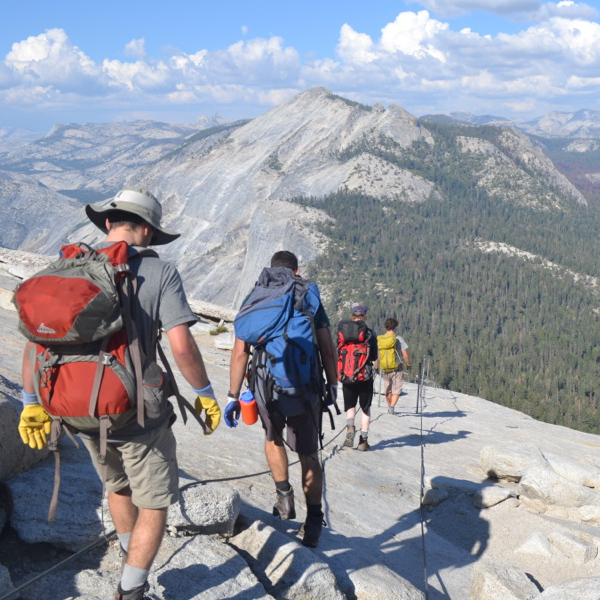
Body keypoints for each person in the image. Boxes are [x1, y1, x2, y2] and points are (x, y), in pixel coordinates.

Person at [17, 188, 221, 600]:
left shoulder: (71, 269)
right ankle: (131, 589)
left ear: (108, 224)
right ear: (147, 230)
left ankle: (130, 555)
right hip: (136, 413)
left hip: (76, 409)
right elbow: (182, 345)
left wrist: (32, 404)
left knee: (117, 488)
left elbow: (37, 343)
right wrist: (204, 393)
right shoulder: (159, 273)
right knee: (155, 502)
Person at [227, 250, 338, 548]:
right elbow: (327, 346)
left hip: (265, 385)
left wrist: (233, 395)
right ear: (296, 270)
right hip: (306, 387)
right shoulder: (307, 292)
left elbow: (240, 352)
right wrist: (333, 384)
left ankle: (284, 499)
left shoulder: (257, 294)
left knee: (272, 438)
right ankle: (313, 521)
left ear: (271, 269)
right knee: (309, 453)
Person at [341, 303, 378, 451]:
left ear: (351, 316)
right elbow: (374, 355)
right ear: (365, 316)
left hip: (347, 375)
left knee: (350, 406)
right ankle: (363, 440)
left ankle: (350, 427)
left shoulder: (343, 331)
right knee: (365, 408)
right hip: (364, 375)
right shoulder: (370, 333)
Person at [378, 317, 411, 414]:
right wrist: (408, 363)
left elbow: (378, 354)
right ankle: (391, 407)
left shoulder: (382, 339)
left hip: (385, 368)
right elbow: (405, 354)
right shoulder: (398, 338)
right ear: (395, 327)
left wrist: (376, 366)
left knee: (388, 389)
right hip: (397, 367)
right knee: (397, 389)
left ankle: (390, 407)